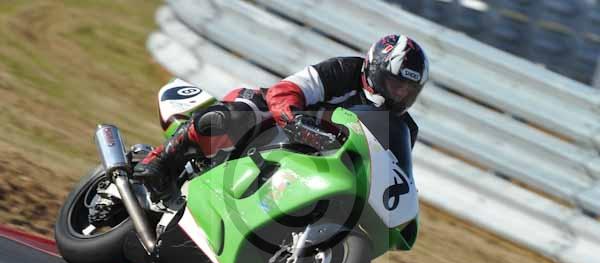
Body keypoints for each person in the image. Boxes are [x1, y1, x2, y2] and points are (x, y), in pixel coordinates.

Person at [134, 34, 429, 197]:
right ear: (374, 71)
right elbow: (285, 90)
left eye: (407, 91)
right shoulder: (344, 71)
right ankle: (161, 160)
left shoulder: (403, 128)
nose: (398, 95)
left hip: (320, 163)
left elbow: (390, 172)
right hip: (275, 122)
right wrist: (296, 121)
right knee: (238, 114)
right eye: (395, 85)